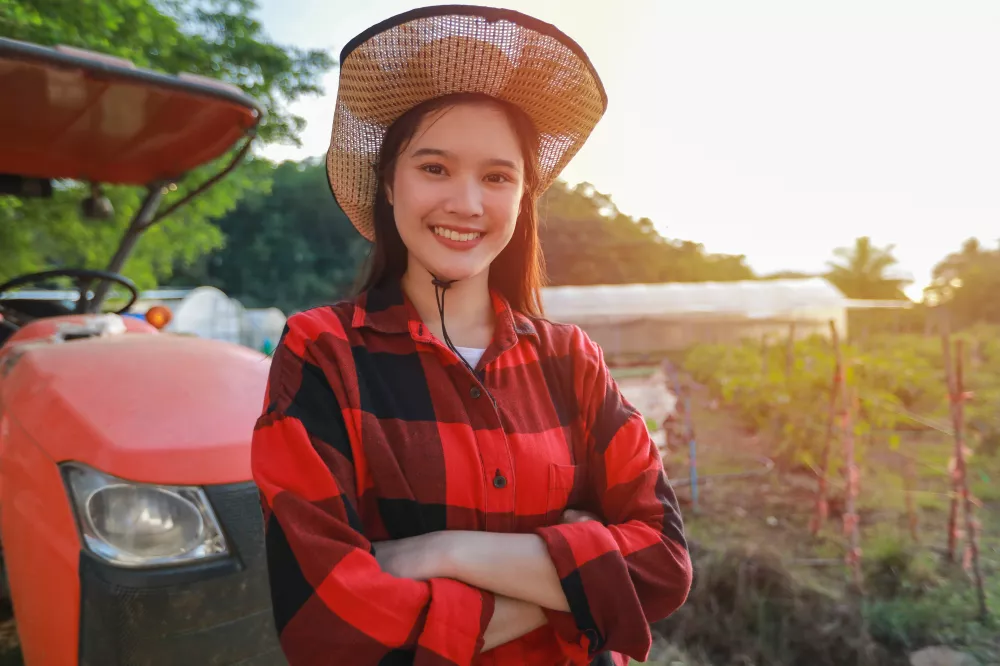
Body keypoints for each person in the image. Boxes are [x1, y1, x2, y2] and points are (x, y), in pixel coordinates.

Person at [250, 6, 693, 666]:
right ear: (388, 184)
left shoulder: (571, 360)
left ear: (522, 198)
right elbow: (326, 619)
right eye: (434, 168)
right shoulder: (322, 355)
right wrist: (581, 583)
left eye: (496, 176)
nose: (467, 203)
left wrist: (442, 552)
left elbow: (663, 564)